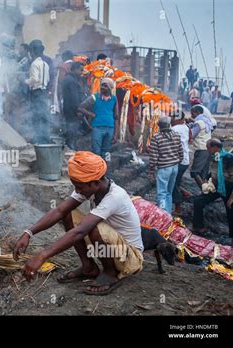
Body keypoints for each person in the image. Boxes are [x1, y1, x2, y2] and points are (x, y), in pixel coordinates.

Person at [13, 151, 144, 295]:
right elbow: (59, 211)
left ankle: (110, 273)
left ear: (96, 183)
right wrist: (28, 232)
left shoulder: (115, 196)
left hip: (131, 258)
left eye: (80, 187)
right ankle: (88, 267)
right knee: (68, 214)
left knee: (92, 227)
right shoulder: (90, 186)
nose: (77, 191)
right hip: (112, 247)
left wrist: (42, 255)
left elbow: (81, 231)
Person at [193, 139, 233, 248]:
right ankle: (199, 227)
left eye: (209, 148)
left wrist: (232, 197)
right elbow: (214, 172)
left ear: (216, 147)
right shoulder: (215, 157)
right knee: (198, 201)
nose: (208, 150)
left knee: (231, 212)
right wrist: (207, 181)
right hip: (217, 187)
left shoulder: (229, 158)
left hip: (229, 188)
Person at [148, 115, 183, 214]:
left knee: (161, 193)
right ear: (169, 125)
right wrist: (176, 162)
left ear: (159, 126)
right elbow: (181, 153)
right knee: (169, 192)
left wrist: (151, 170)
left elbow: (154, 157)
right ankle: (168, 214)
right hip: (174, 167)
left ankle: (162, 214)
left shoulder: (156, 138)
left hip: (163, 169)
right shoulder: (176, 135)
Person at [78, 78, 118, 159]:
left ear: (110, 88)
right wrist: (91, 114)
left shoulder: (114, 99)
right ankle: (97, 170)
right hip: (97, 128)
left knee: (106, 152)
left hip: (110, 128)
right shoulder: (94, 97)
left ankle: (105, 169)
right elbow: (81, 107)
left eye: (105, 86)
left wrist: (116, 134)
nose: (102, 87)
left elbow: (116, 116)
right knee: (96, 151)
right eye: (102, 85)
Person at [25, 41, 50, 144]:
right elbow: (47, 79)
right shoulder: (45, 64)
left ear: (33, 52)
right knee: (44, 116)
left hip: (36, 92)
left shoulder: (34, 64)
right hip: (44, 91)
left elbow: (34, 79)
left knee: (36, 116)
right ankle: (45, 138)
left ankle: (37, 139)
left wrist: (25, 81)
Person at [171, 111, 192, 215]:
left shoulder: (174, 129)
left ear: (178, 119)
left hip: (178, 160)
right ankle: (184, 193)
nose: (172, 120)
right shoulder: (186, 127)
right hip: (185, 160)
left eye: (173, 118)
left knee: (174, 183)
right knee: (176, 181)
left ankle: (178, 207)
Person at [61, 62, 85, 149]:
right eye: (80, 70)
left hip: (68, 110)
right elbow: (74, 99)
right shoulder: (72, 81)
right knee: (72, 134)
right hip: (72, 112)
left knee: (70, 133)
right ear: (74, 69)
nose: (82, 72)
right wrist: (78, 110)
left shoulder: (68, 78)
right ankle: (70, 152)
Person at [190, 105, 213, 190]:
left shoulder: (199, 123)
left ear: (198, 112)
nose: (192, 115)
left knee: (194, 172)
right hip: (208, 149)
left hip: (201, 149)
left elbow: (191, 134)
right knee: (204, 173)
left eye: (193, 113)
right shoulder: (206, 120)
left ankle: (204, 191)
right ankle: (207, 191)